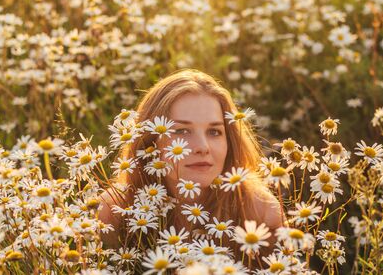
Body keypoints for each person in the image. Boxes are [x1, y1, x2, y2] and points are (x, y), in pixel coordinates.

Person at [98, 68, 282, 262]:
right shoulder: (112, 213)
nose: (203, 147)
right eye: (182, 131)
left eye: (214, 132)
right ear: (150, 141)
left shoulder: (260, 212)